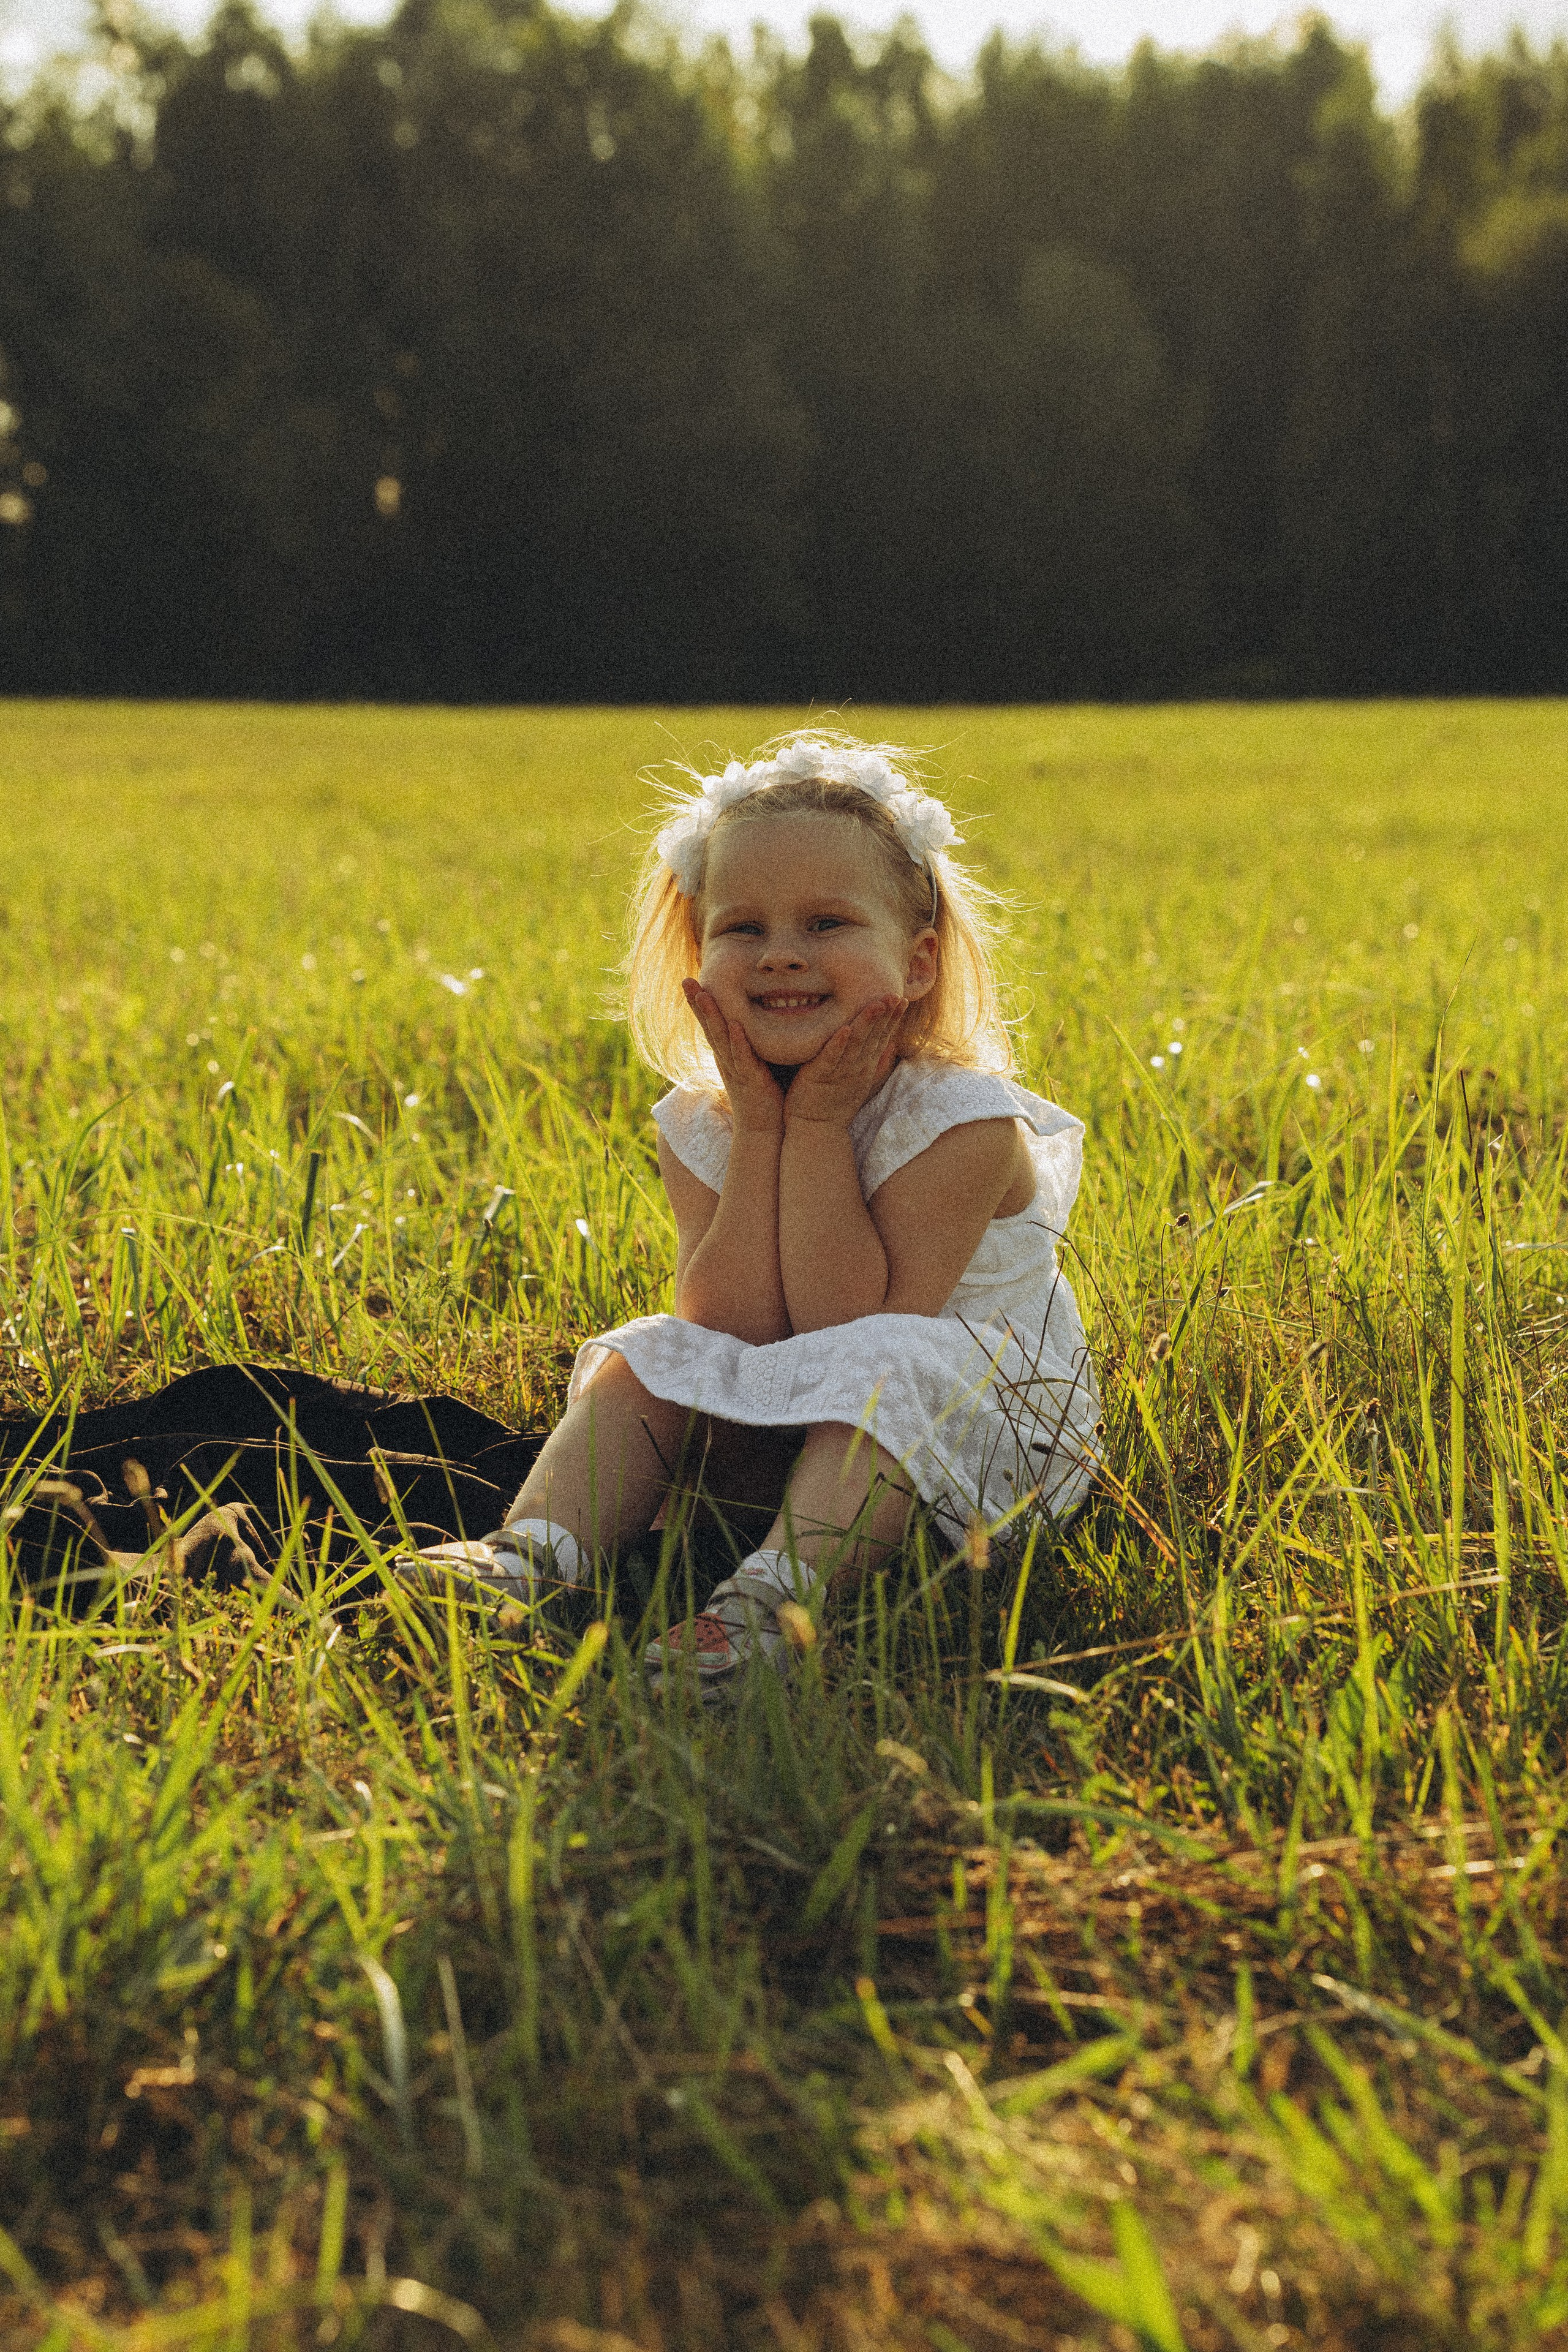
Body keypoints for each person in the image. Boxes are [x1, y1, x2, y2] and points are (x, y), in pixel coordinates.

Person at [412, 731, 1099, 1692]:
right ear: (699, 955)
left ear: (918, 963)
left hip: (966, 1453)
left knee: (884, 1364)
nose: (780, 956)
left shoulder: (961, 1122)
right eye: (743, 929)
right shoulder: (705, 1121)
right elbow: (726, 1326)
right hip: (794, 1434)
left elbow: (854, 1330)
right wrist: (763, 1131)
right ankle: (528, 1559)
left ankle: (767, 1609)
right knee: (654, 1350)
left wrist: (813, 1127)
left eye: (826, 923)